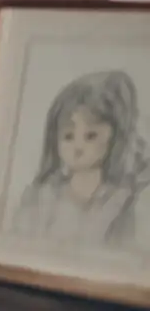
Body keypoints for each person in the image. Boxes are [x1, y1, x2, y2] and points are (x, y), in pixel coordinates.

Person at [12, 70, 150, 248]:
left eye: (91, 136)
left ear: (114, 138)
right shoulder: (43, 196)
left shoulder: (120, 199)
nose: (78, 146)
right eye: (68, 136)